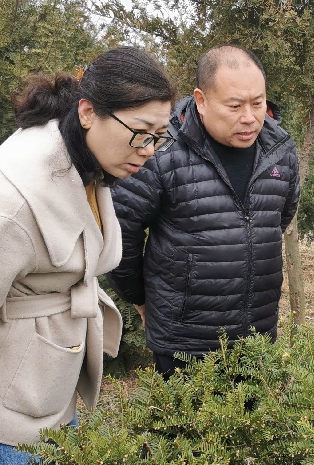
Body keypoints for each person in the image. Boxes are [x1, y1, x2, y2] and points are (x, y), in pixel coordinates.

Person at [0, 47, 177, 465]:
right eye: (140, 135)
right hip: (0, 420)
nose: (149, 152)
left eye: (160, 137)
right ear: (88, 112)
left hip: (48, 390)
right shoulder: (8, 204)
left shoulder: (85, 165)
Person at [106, 44, 300, 378]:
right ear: (201, 100)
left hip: (256, 339)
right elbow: (120, 234)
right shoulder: (161, 151)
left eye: (258, 103)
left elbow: (278, 219)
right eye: (235, 105)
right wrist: (141, 299)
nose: (250, 117)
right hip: (185, 342)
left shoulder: (279, 149)